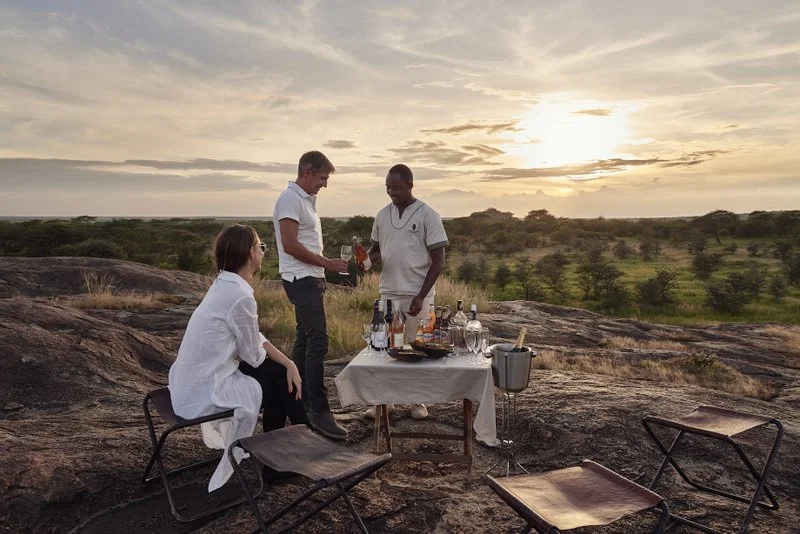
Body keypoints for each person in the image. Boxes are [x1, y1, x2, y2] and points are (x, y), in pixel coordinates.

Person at [168, 224, 303, 492]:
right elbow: (253, 355)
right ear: (250, 253)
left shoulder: (223, 285)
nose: (263, 251)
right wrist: (287, 366)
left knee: (280, 374)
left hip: (188, 386)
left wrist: (288, 362)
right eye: (260, 246)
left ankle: (294, 447)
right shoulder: (240, 296)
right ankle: (298, 447)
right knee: (280, 383)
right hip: (203, 393)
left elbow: (253, 338)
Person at [273, 150, 349, 440]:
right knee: (318, 342)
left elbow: (302, 243)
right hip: (301, 280)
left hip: (309, 279)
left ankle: (299, 405)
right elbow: (290, 245)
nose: (324, 184)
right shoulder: (290, 199)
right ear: (306, 171)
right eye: (322, 177)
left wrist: (324, 266)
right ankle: (319, 412)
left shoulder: (304, 200)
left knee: (304, 341)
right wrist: (326, 264)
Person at [364, 163, 448, 420]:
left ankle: (417, 400)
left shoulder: (427, 215)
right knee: (387, 347)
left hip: (416, 294)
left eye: (396, 187)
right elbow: (376, 249)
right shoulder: (381, 215)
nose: (391, 192)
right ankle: (384, 401)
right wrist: (366, 261)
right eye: (388, 187)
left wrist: (422, 295)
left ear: (410, 184)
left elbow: (438, 261)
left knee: (417, 348)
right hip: (388, 292)